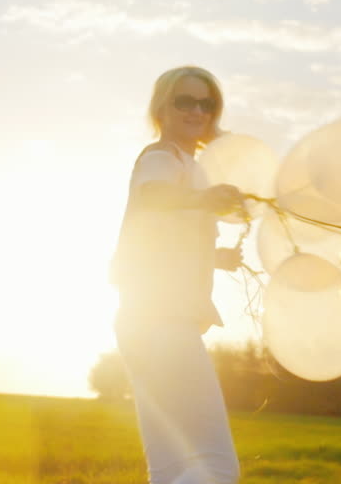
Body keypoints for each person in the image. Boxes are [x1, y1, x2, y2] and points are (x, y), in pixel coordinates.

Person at [110, 65, 246, 484]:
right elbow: (154, 196)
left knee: (169, 471)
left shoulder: (188, 164)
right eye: (185, 101)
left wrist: (217, 256)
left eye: (207, 104)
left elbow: (167, 238)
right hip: (162, 322)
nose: (197, 111)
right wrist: (204, 199)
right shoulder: (162, 157)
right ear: (162, 108)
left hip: (143, 320)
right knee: (216, 468)